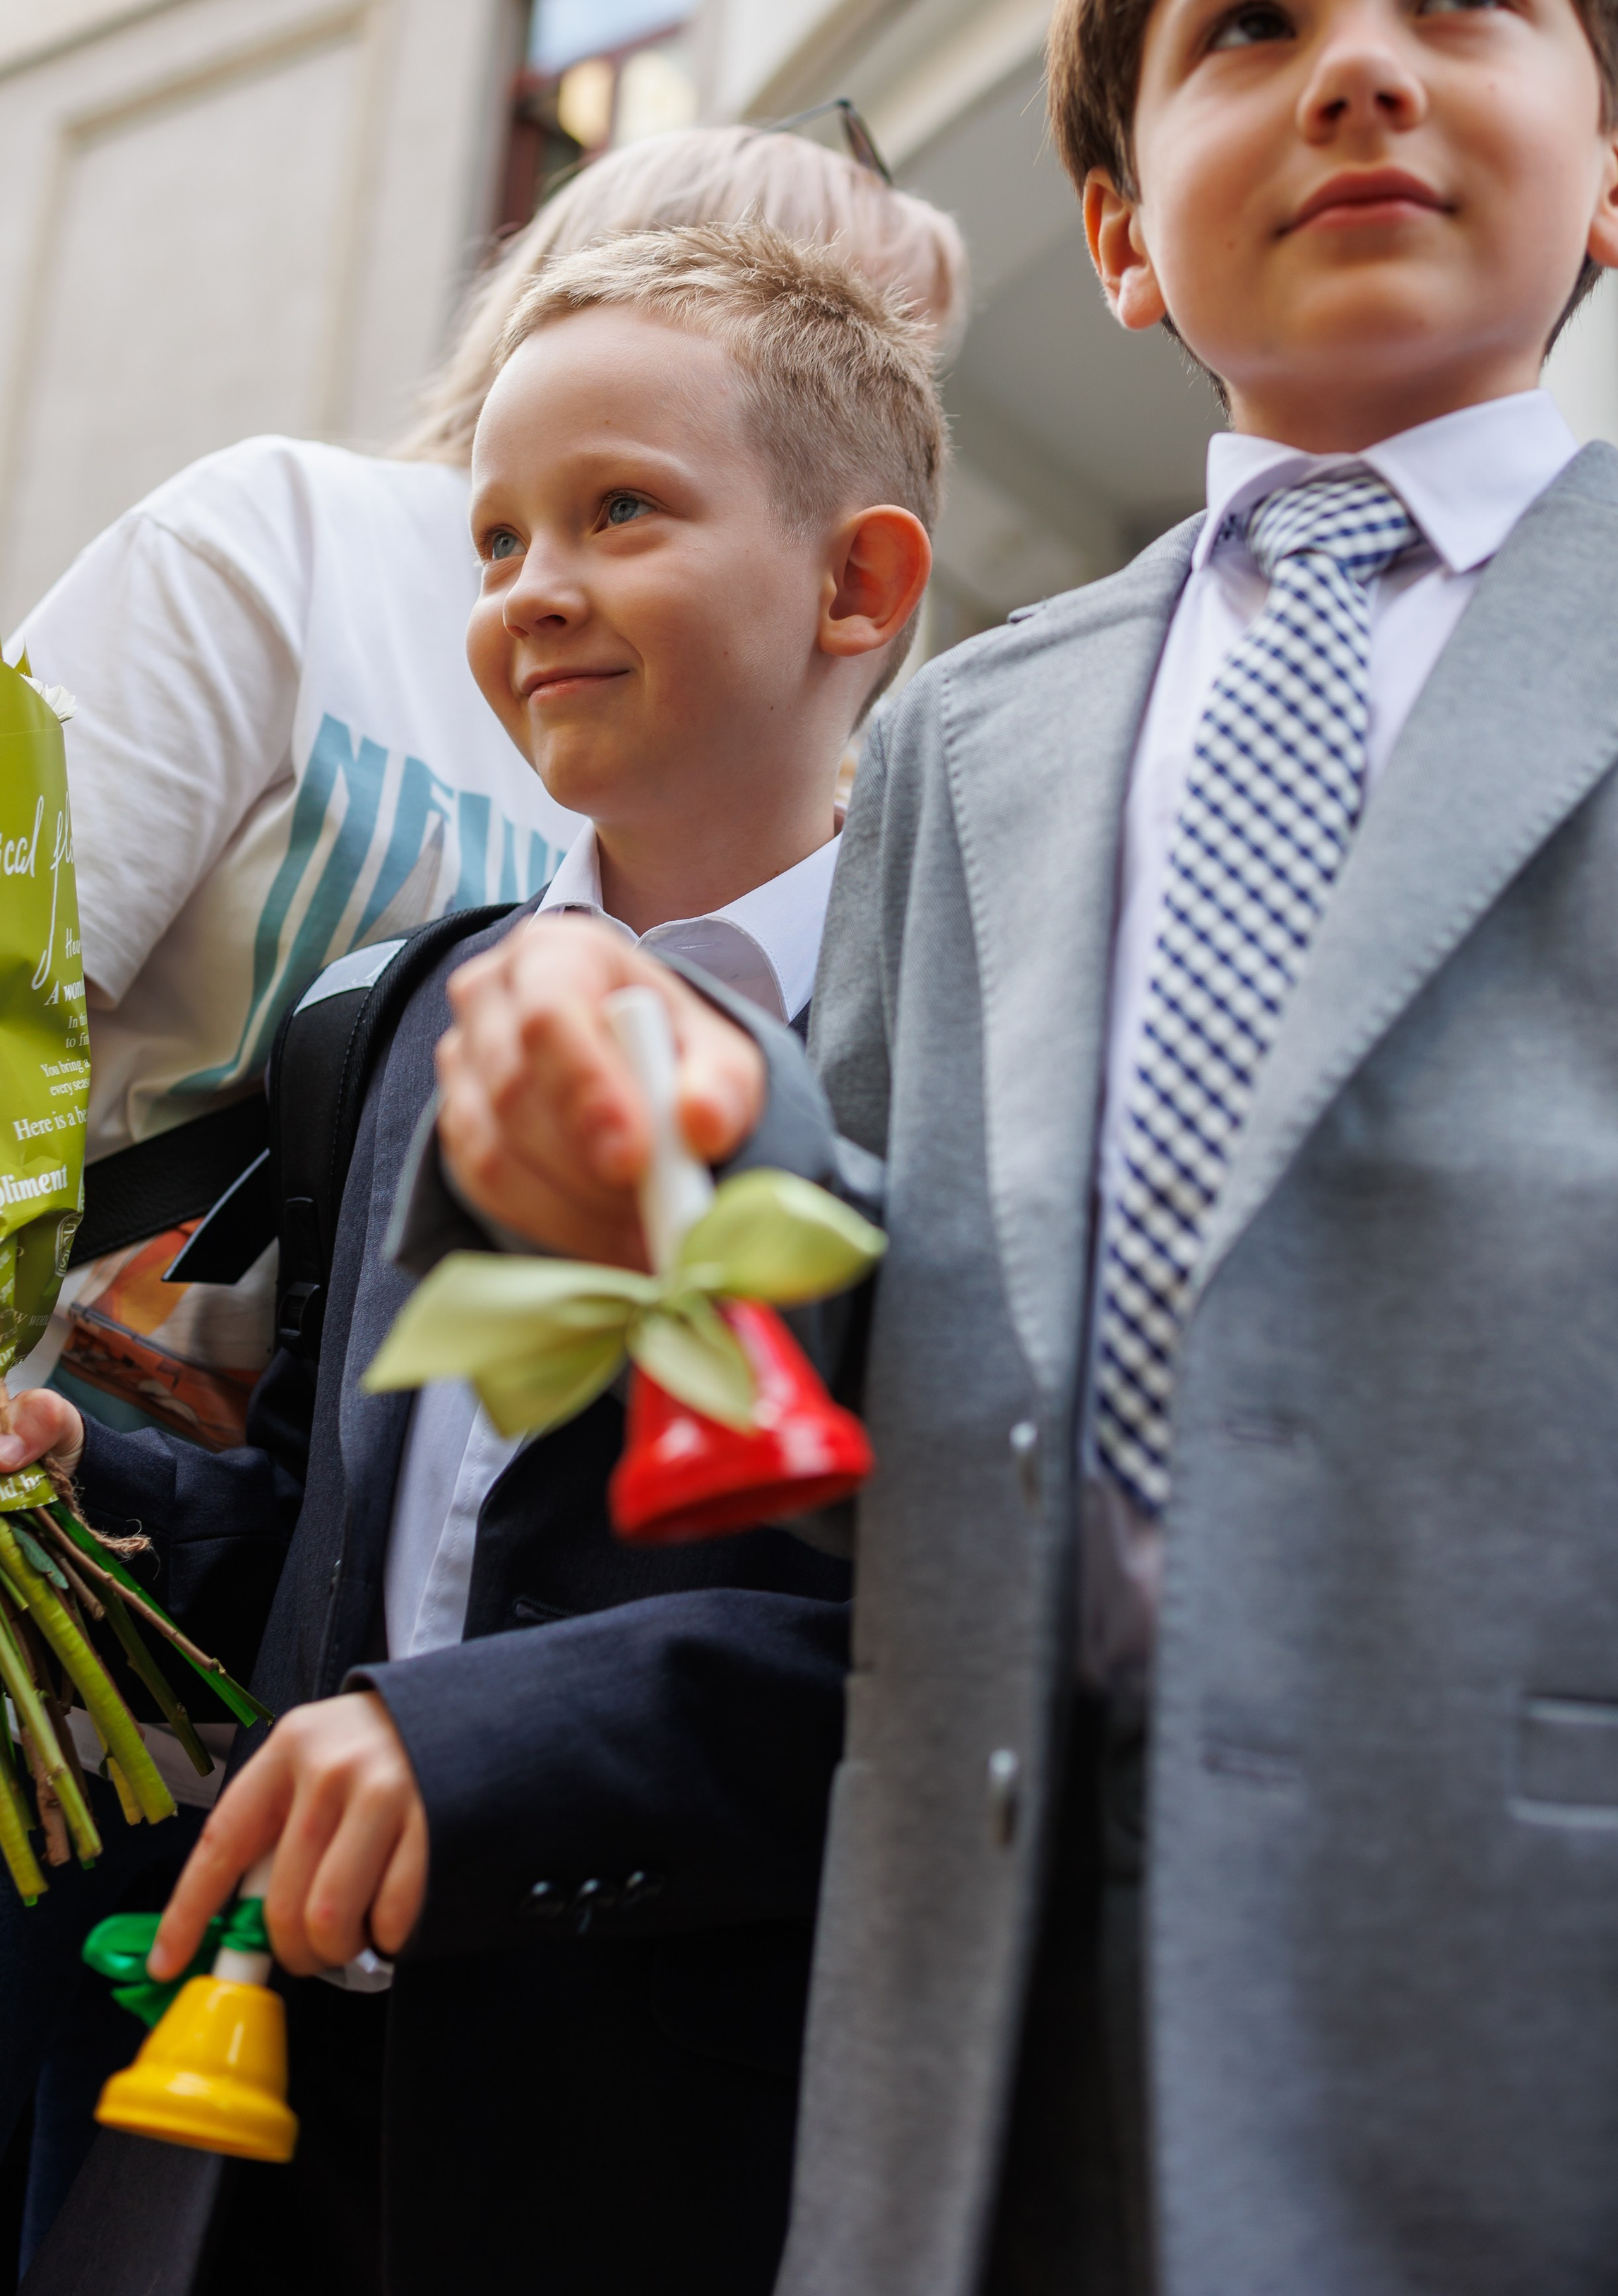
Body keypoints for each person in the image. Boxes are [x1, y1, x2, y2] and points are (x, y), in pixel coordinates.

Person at [407, 0, 1618, 2296]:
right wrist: (670, 1213)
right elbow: (853, 1411)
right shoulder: (977, 750)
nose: (1359, 72)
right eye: (1253, 23)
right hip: (978, 2067)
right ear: (1122, 231)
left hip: (1558, 2079)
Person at [0, 126, 967, 2273]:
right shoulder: (414, 1015)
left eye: (618, 514)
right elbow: (372, 1542)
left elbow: (930, 1629)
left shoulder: (953, 1044)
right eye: (499, 531)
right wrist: (115, 1486)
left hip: (664, 2122)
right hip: (321, 2110)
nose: (528, 584)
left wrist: (482, 1756)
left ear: (859, 587)